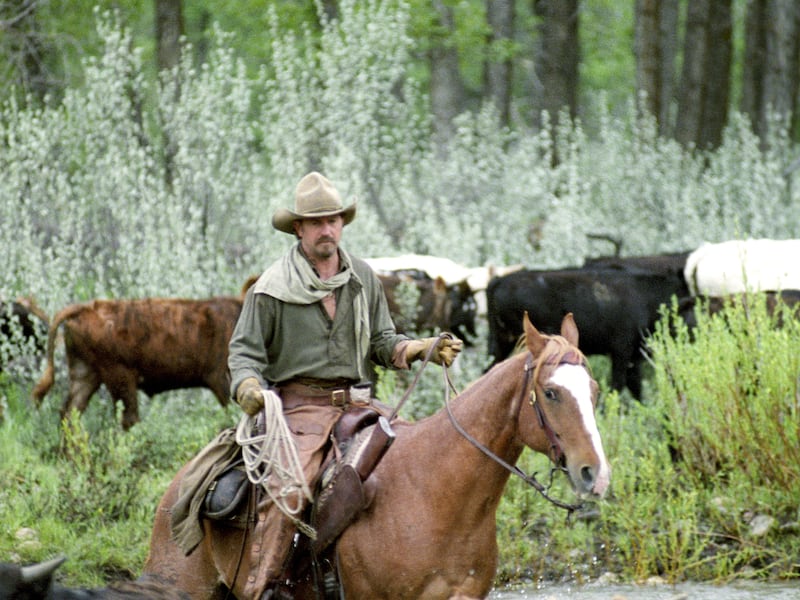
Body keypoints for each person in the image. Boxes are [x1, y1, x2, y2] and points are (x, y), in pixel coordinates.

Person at [227, 171, 462, 597]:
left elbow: (382, 341)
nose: (327, 230)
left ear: (342, 224)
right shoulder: (271, 288)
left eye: (333, 220)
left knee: (410, 470)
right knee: (290, 492)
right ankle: (267, 586)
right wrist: (247, 387)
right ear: (298, 229)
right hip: (299, 410)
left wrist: (419, 348)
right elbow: (244, 353)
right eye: (316, 222)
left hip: (359, 406)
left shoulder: (362, 278)